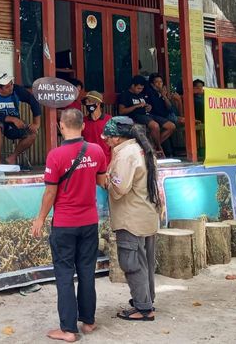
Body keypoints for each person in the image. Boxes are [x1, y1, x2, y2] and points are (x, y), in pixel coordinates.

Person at [31, 109, 108, 342]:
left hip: (64, 223)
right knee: (86, 270)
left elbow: (50, 191)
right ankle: (89, 321)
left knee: (64, 274)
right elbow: (102, 181)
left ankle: (68, 329)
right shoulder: (96, 151)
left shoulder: (55, 155)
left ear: (61, 126)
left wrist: (40, 218)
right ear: (83, 126)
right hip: (89, 222)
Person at [101, 116, 161, 322]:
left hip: (131, 218)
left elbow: (119, 189)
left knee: (132, 263)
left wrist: (105, 181)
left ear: (117, 138)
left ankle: (144, 309)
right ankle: (145, 299)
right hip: (147, 215)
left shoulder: (126, 154)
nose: (105, 140)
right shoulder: (142, 149)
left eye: (107, 137)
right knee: (145, 262)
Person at [0, 72, 42, 165]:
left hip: (13, 122)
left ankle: (12, 157)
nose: (11, 87)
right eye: (7, 87)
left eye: (11, 84)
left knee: (32, 134)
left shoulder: (16, 90)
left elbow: (33, 101)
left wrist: (36, 123)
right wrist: (14, 119)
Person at [117, 75, 172, 157]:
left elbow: (147, 105)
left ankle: (153, 146)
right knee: (155, 126)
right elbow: (121, 111)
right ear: (132, 86)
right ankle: (159, 147)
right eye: (138, 88)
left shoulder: (142, 95)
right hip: (135, 116)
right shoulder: (125, 95)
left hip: (148, 114)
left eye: (142, 89)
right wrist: (136, 106)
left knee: (171, 126)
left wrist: (149, 107)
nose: (140, 90)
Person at [80, 91, 112, 165]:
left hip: (106, 161)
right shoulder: (83, 121)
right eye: (86, 102)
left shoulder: (109, 120)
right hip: (88, 162)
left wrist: (112, 162)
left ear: (97, 103)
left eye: (90, 102)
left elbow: (113, 144)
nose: (87, 104)